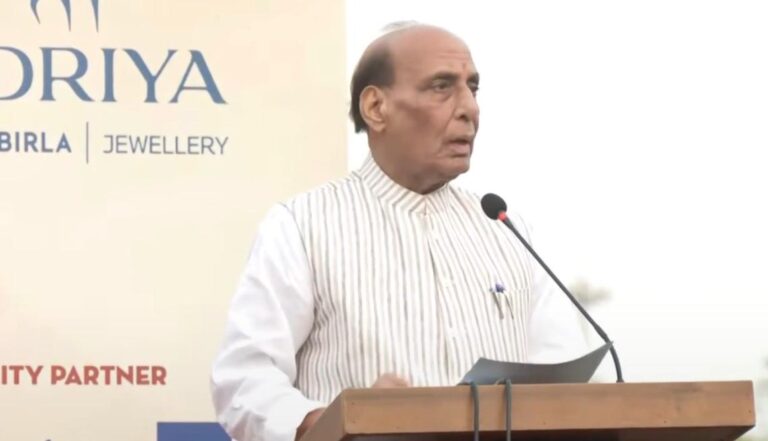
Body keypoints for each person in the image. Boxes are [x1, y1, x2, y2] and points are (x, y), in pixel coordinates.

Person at [210, 24, 586, 441]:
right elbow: (246, 379)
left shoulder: (506, 230)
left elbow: (564, 380)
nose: (469, 109)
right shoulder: (302, 225)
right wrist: (339, 422)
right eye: (442, 86)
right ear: (376, 107)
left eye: (473, 88)